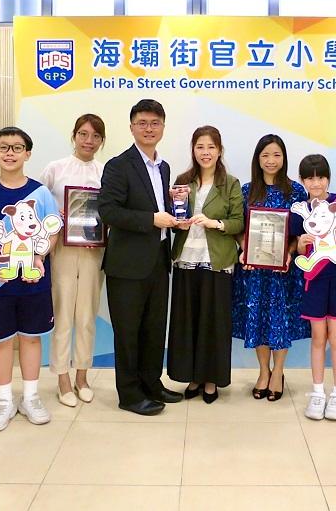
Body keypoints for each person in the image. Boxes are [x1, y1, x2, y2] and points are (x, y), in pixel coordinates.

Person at [0, 127, 59, 432]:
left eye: (17, 147)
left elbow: (52, 231)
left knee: (31, 338)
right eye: (3, 147)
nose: (10, 153)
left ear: (27, 154)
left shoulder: (41, 193)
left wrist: (39, 258)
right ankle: (4, 400)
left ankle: (30, 397)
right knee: (1, 342)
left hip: (33, 281)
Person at [97, 99, 183, 416]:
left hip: (159, 260)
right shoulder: (119, 165)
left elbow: (163, 211)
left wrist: (177, 214)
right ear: (132, 127)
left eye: (155, 123)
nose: (149, 128)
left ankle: (152, 383)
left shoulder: (163, 167)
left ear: (163, 127)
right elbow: (108, 211)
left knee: (153, 328)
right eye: (142, 123)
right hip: (127, 265)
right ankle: (130, 395)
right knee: (128, 332)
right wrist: (151, 220)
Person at [167, 126, 244, 404]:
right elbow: (173, 221)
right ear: (193, 150)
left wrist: (215, 223)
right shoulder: (182, 181)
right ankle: (193, 376)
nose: (205, 152)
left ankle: (211, 380)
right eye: (200, 147)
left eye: (211, 147)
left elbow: (239, 221)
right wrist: (177, 222)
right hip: (186, 260)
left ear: (220, 150)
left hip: (217, 261)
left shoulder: (230, 183)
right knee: (187, 323)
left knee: (214, 324)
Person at [231, 134, 309, 402]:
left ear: (284, 158)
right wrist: (244, 248)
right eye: (265, 155)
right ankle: (263, 371)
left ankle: (279, 372)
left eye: (276, 155)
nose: (271, 160)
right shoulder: (246, 190)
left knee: (280, 322)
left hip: (283, 271)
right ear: (258, 159)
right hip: (253, 272)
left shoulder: (296, 191)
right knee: (258, 321)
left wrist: (287, 253)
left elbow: (301, 234)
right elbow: (238, 229)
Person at [40, 113, 106, 406]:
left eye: (95, 136)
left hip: (94, 251)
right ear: (73, 136)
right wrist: (58, 218)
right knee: (64, 313)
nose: (88, 141)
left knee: (87, 316)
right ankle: (62, 379)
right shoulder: (55, 169)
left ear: (101, 141)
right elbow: (39, 208)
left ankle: (82, 375)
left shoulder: (106, 172)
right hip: (62, 251)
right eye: (83, 134)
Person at [292, 154, 336, 421]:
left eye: (320, 177)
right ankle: (318, 392)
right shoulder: (300, 210)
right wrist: (301, 243)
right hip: (314, 281)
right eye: (310, 177)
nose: (316, 182)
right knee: (318, 337)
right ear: (302, 181)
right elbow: (297, 246)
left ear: (328, 178)